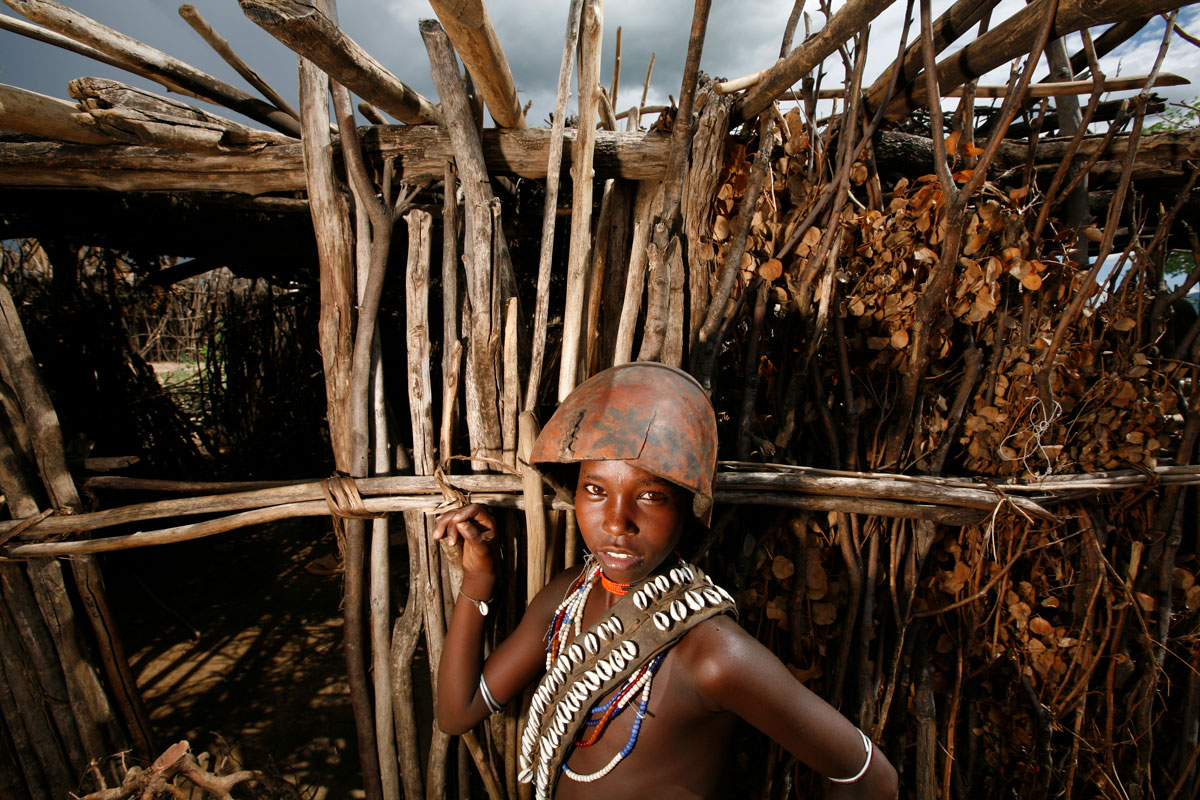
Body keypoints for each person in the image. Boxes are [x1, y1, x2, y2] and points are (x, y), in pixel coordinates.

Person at [434, 363, 898, 799]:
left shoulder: (713, 653)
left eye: (651, 496)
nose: (617, 522)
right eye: (596, 490)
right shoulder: (571, 594)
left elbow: (871, 777)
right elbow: (459, 712)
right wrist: (480, 576)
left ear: (686, 510)